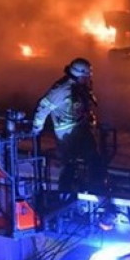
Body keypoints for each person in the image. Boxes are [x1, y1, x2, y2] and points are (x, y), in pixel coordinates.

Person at [31, 57, 106, 193]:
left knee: (92, 157)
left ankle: (95, 187)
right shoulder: (61, 90)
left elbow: (82, 106)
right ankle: (65, 192)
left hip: (80, 128)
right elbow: (43, 107)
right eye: (85, 76)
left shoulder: (79, 87)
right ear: (78, 74)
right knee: (70, 163)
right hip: (66, 133)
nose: (87, 79)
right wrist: (37, 127)